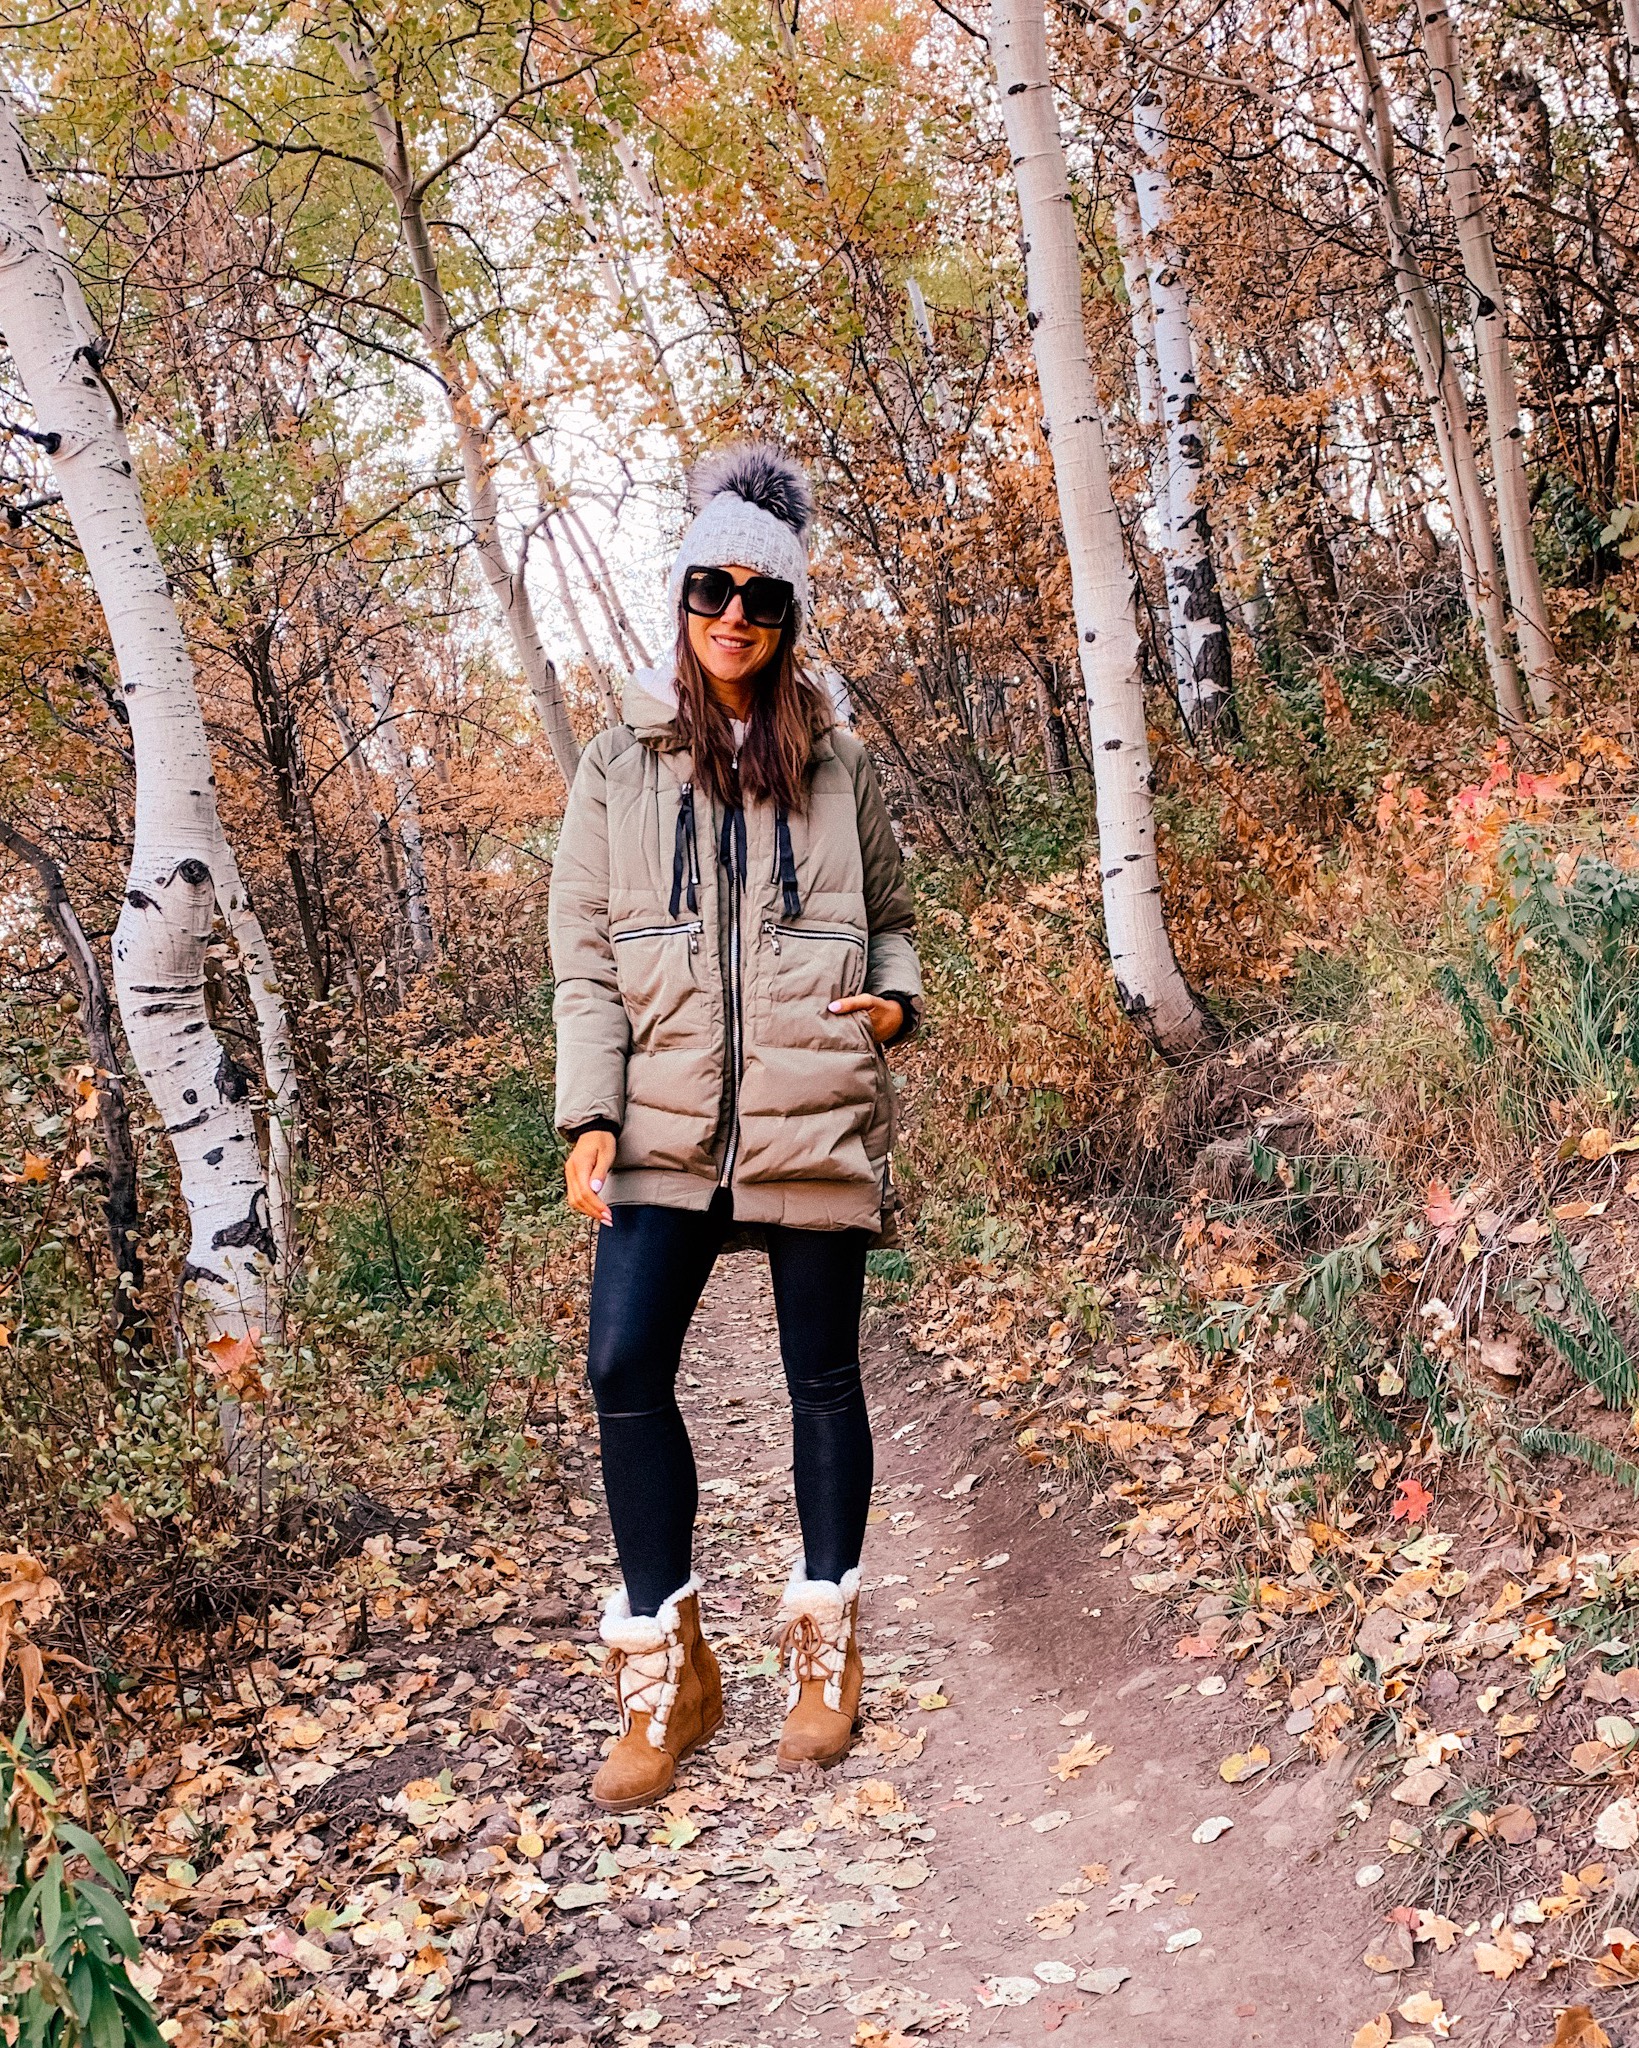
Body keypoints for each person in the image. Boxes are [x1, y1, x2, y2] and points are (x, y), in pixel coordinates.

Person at [548, 444, 922, 1813]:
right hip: (658, 1114)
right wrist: (590, 1110)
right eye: (713, 589)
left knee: (823, 1377)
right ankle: (670, 1668)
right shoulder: (615, 765)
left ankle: (825, 1645)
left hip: (813, 1102)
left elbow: (895, 916)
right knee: (624, 1366)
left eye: (763, 600)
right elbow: (585, 959)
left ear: (790, 618)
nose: (735, 618)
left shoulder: (840, 769)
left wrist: (891, 1002)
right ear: (681, 592)